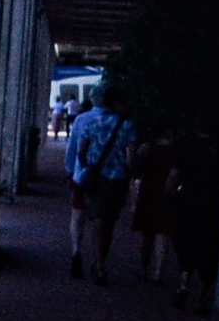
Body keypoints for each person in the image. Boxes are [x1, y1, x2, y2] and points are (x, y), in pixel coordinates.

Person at [65, 85, 136, 284]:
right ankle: (100, 263)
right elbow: (131, 156)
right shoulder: (128, 126)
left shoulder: (91, 123)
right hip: (117, 181)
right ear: (116, 103)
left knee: (97, 221)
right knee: (108, 224)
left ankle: (98, 264)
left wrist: (87, 167)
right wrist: (130, 174)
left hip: (96, 180)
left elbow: (80, 152)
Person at [168, 130, 219, 313]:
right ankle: (201, 297)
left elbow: (174, 174)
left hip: (187, 201)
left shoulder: (186, 145)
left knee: (185, 243)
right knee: (208, 248)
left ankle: (183, 284)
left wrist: (168, 192)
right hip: (212, 204)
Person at [131, 126, 178, 284]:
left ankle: (143, 269)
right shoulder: (176, 149)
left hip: (148, 190)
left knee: (147, 233)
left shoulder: (146, 148)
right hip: (166, 193)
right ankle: (158, 272)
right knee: (163, 234)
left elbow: (137, 171)